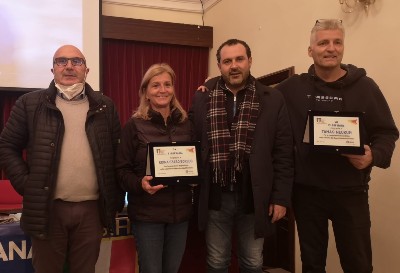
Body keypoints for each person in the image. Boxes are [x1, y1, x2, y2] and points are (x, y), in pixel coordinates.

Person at [276, 19, 399, 273]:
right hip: (306, 193)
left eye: (337, 42)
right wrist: (211, 86)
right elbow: (256, 92)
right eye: (323, 43)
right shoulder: (292, 88)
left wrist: (372, 156)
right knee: (311, 264)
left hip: (351, 192)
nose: (330, 48)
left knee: (359, 265)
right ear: (310, 50)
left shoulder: (366, 87)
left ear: (343, 47)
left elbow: (387, 133)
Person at [0, 45, 124, 273]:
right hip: (48, 209)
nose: (69, 66)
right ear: (52, 69)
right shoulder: (29, 104)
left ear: (86, 70)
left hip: (91, 211)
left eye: (76, 61)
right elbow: (7, 146)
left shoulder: (105, 106)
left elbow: (117, 155)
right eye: (62, 61)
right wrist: (28, 185)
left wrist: (114, 199)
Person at [189, 39, 294, 273]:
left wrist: (281, 198)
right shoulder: (203, 97)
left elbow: (284, 152)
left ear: (250, 61)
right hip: (216, 196)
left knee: (253, 262)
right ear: (219, 66)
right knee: (216, 262)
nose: (234, 66)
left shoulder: (272, 99)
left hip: (255, 198)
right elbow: (192, 141)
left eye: (239, 59)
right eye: (227, 61)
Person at [116, 63, 194, 273]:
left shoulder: (187, 123)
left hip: (180, 215)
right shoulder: (133, 126)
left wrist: (195, 176)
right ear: (146, 92)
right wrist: (140, 184)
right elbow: (121, 171)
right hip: (147, 215)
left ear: (173, 89)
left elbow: (197, 162)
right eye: (155, 85)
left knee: (172, 269)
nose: (162, 90)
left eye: (167, 84)